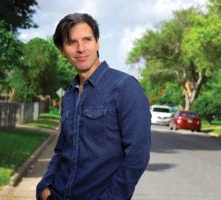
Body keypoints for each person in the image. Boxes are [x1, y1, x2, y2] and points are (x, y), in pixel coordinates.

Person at [36, 13, 151, 200]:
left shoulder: (125, 87)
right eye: (72, 42)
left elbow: (137, 156)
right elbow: (62, 151)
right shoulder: (70, 94)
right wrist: (44, 188)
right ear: (62, 50)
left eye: (87, 39)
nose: (81, 48)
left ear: (97, 43)